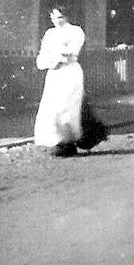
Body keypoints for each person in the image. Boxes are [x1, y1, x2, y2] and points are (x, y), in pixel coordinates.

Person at [35, 8, 107, 157]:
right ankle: (60, 143)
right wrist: (52, 60)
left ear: (66, 15)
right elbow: (42, 55)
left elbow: (71, 53)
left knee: (67, 108)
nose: (56, 20)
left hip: (70, 73)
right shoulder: (50, 34)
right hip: (54, 75)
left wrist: (56, 56)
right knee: (53, 109)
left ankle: (69, 142)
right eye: (53, 17)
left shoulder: (75, 31)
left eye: (60, 16)